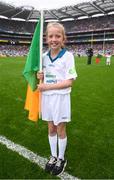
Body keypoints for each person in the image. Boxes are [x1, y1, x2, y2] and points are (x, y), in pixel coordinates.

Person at [37, 22, 77, 176]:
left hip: (60, 98)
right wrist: (39, 76)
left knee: (60, 129)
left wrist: (47, 86)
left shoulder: (68, 56)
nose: (54, 39)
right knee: (51, 128)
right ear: (46, 38)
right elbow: (41, 78)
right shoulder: (43, 57)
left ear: (63, 38)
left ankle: (61, 158)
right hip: (47, 99)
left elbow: (69, 81)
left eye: (57, 36)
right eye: (51, 36)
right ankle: (53, 156)